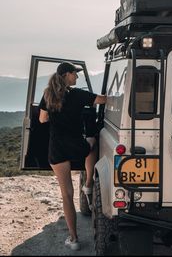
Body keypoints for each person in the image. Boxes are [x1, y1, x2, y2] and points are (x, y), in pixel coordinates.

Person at [38, 61, 106, 251]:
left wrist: (57, 116)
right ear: (67, 75)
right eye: (75, 74)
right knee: (93, 142)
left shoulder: (48, 94)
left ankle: (74, 239)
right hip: (77, 146)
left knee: (66, 195)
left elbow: (42, 119)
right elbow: (103, 100)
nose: (77, 77)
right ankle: (88, 184)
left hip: (57, 149)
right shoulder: (77, 95)